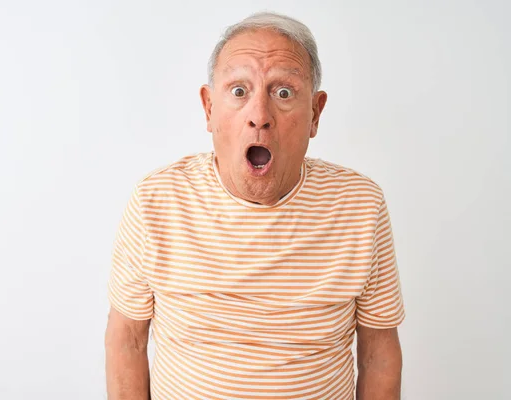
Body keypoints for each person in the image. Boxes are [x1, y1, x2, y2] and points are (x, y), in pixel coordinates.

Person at [105, 11, 405, 400]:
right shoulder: (156, 201)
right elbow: (126, 341)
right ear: (209, 108)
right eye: (239, 91)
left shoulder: (360, 206)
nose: (260, 117)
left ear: (315, 113)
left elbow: (379, 355)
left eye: (283, 93)